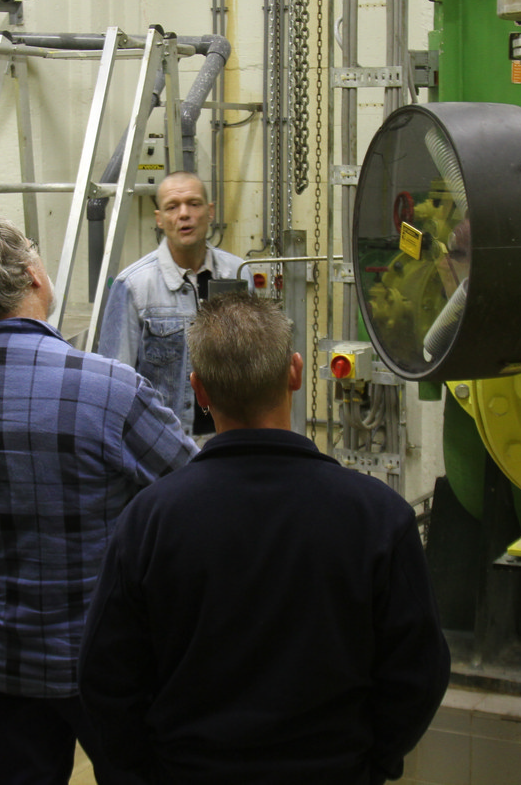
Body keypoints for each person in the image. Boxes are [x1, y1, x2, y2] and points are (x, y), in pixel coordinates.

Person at [79, 293, 450, 785]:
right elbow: (420, 674)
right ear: (295, 372)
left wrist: (147, 772)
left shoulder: (148, 521)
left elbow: (104, 678)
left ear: (199, 389)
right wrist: (368, 763)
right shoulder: (379, 518)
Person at [0, 214, 197, 785]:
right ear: (33, 276)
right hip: (103, 659)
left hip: (2, 657)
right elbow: (195, 492)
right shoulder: (108, 387)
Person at [97, 171, 243, 436]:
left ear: (210, 212)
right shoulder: (133, 285)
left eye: (194, 204)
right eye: (172, 207)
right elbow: (114, 385)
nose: (184, 214)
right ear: (160, 219)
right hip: (164, 444)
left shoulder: (239, 274)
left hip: (229, 440)